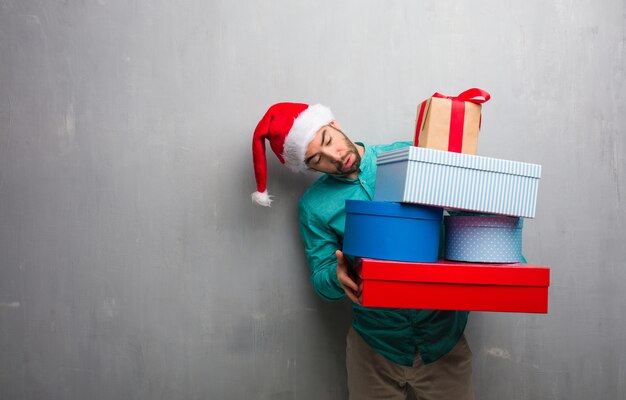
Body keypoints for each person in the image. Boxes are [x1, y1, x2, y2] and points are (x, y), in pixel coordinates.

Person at [251, 102, 474, 400]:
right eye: (317, 159)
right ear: (309, 168)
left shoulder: (410, 155)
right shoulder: (313, 206)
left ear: (335, 125)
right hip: (374, 348)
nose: (334, 157)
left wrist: (465, 199)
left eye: (328, 140)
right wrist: (336, 276)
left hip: (444, 340)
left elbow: (467, 215)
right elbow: (321, 279)